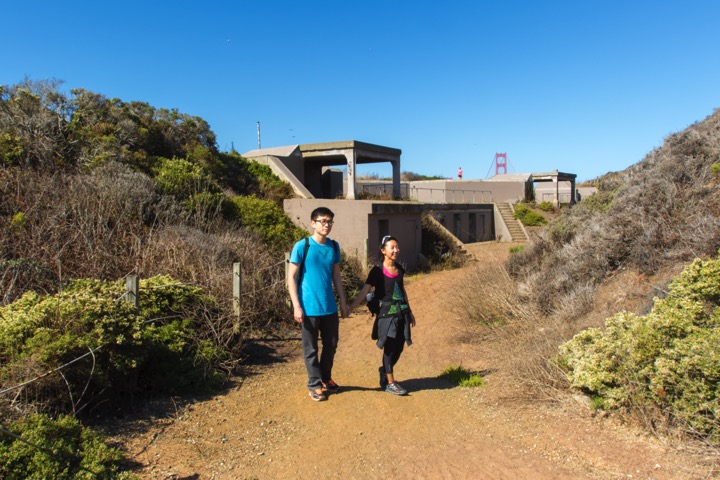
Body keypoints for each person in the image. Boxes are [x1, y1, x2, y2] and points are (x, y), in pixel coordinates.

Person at [288, 207, 349, 402]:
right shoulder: (302, 246)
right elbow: (291, 277)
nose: (327, 225)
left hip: (329, 307)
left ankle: (325, 378)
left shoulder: (334, 247)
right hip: (308, 308)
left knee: (331, 345)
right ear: (313, 223)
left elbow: (336, 275)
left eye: (330, 221)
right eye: (322, 221)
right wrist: (296, 306)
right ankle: (314, 385)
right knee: (311, 348)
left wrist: (343, 303)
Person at [349, 235, 415, 395]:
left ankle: (385, 370)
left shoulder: (400, 269)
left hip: (402, 314)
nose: (395, 250)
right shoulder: (377, 271)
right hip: (386, 316)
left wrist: (410, 311)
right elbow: (365, 290)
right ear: (383, 250)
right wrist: (350, 308)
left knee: (399, 348)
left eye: (396, 247)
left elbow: (402, 291)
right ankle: (390, 382)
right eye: (392, 247)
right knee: (390, 348)